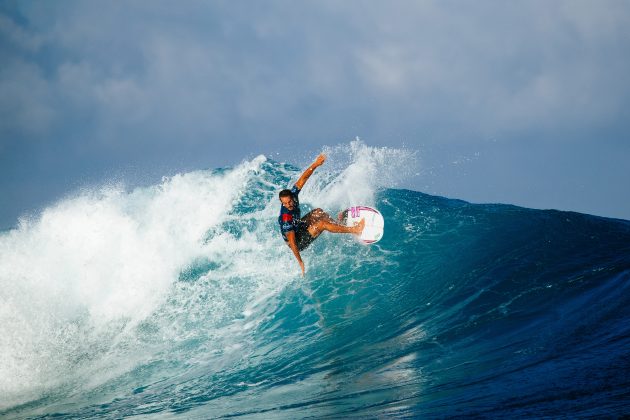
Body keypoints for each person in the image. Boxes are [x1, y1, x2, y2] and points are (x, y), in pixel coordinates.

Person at [278, 153, 364, 275]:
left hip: (298, 226)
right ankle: (355, 229)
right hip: (297, 242)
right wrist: (300, 262)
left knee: (318, 212)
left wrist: (316, 164)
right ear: (282, 203)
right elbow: (292, 243)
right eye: (285, 204)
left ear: (292, 196)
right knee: (322, 224)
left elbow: (304, 178)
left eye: (289, 201)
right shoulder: (286, 219)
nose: (289, 205)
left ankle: (339, 224)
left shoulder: (293, 193)